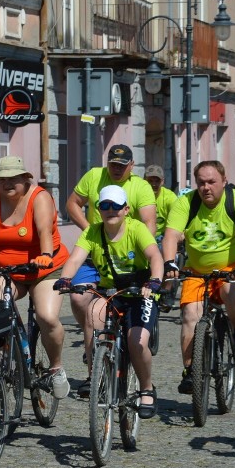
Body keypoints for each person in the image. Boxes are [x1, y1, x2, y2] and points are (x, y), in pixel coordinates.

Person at [54, 185, 163, 415]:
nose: (110, 210)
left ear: (126, 209)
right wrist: (65, 278)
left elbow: (154, 255)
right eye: (105, 205)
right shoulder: (93, 231)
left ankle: (146, 389)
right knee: (93, 317)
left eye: (116, 206)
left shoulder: (137, 229)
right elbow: (75, 259)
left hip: (139, 293)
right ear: (98, 209)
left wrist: (154, 280)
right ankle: (96, 378)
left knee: (137, 341)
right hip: (111, 292)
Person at [0, 155, 71, 399]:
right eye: (2, 179)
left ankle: (56, 367)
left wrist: (45, 255)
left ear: (25, 178)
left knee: (46, 316)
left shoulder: (40, 198)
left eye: (13, 178)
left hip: (44, 269)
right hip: (8, 270)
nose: (7, 183)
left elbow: (44, 230)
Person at [162, 160, 235, 394]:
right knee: (189, 316)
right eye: (201, 182)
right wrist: (169, 262)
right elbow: (171, 235)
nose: (206, 187)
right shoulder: (186, 202)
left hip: (232, 267)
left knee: (231, 293)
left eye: (212, 182)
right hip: (198, 271)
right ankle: (190, 370)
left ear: (224, 181)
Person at [65, 144, 156, 388]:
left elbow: (149, 223)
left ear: (131, 165)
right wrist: (92, 233)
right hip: (96, 252)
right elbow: (72, 203)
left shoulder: (141, 186)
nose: (117, 168)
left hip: (127, 256)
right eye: (113, 164)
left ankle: (143, 381)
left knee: (134, 334)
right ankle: (94, 362)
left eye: (122, 165)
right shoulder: (94, 176)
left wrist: (144, 262)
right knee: (81, 302)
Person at [144, 164, 177, 238]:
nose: (154, 184)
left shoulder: (170, 197)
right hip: (142, 235)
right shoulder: (138, 194)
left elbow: (177, 220)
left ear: (162, 181)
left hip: (162, 236)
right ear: (144, 181)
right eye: (150, 181)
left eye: (157, 181)